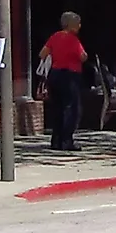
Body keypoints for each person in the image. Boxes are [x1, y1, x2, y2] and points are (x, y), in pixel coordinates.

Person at [39, 11, 88, 150]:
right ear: (71, 25)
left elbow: (42, 53)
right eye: (77, 23)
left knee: (57, 108)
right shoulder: (73, 39)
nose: (79, 26)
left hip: (55, 75)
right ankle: (67, 141)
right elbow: (83, 57)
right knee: (71, 109)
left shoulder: (55, 36)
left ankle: (56, 141)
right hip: (70, 76)